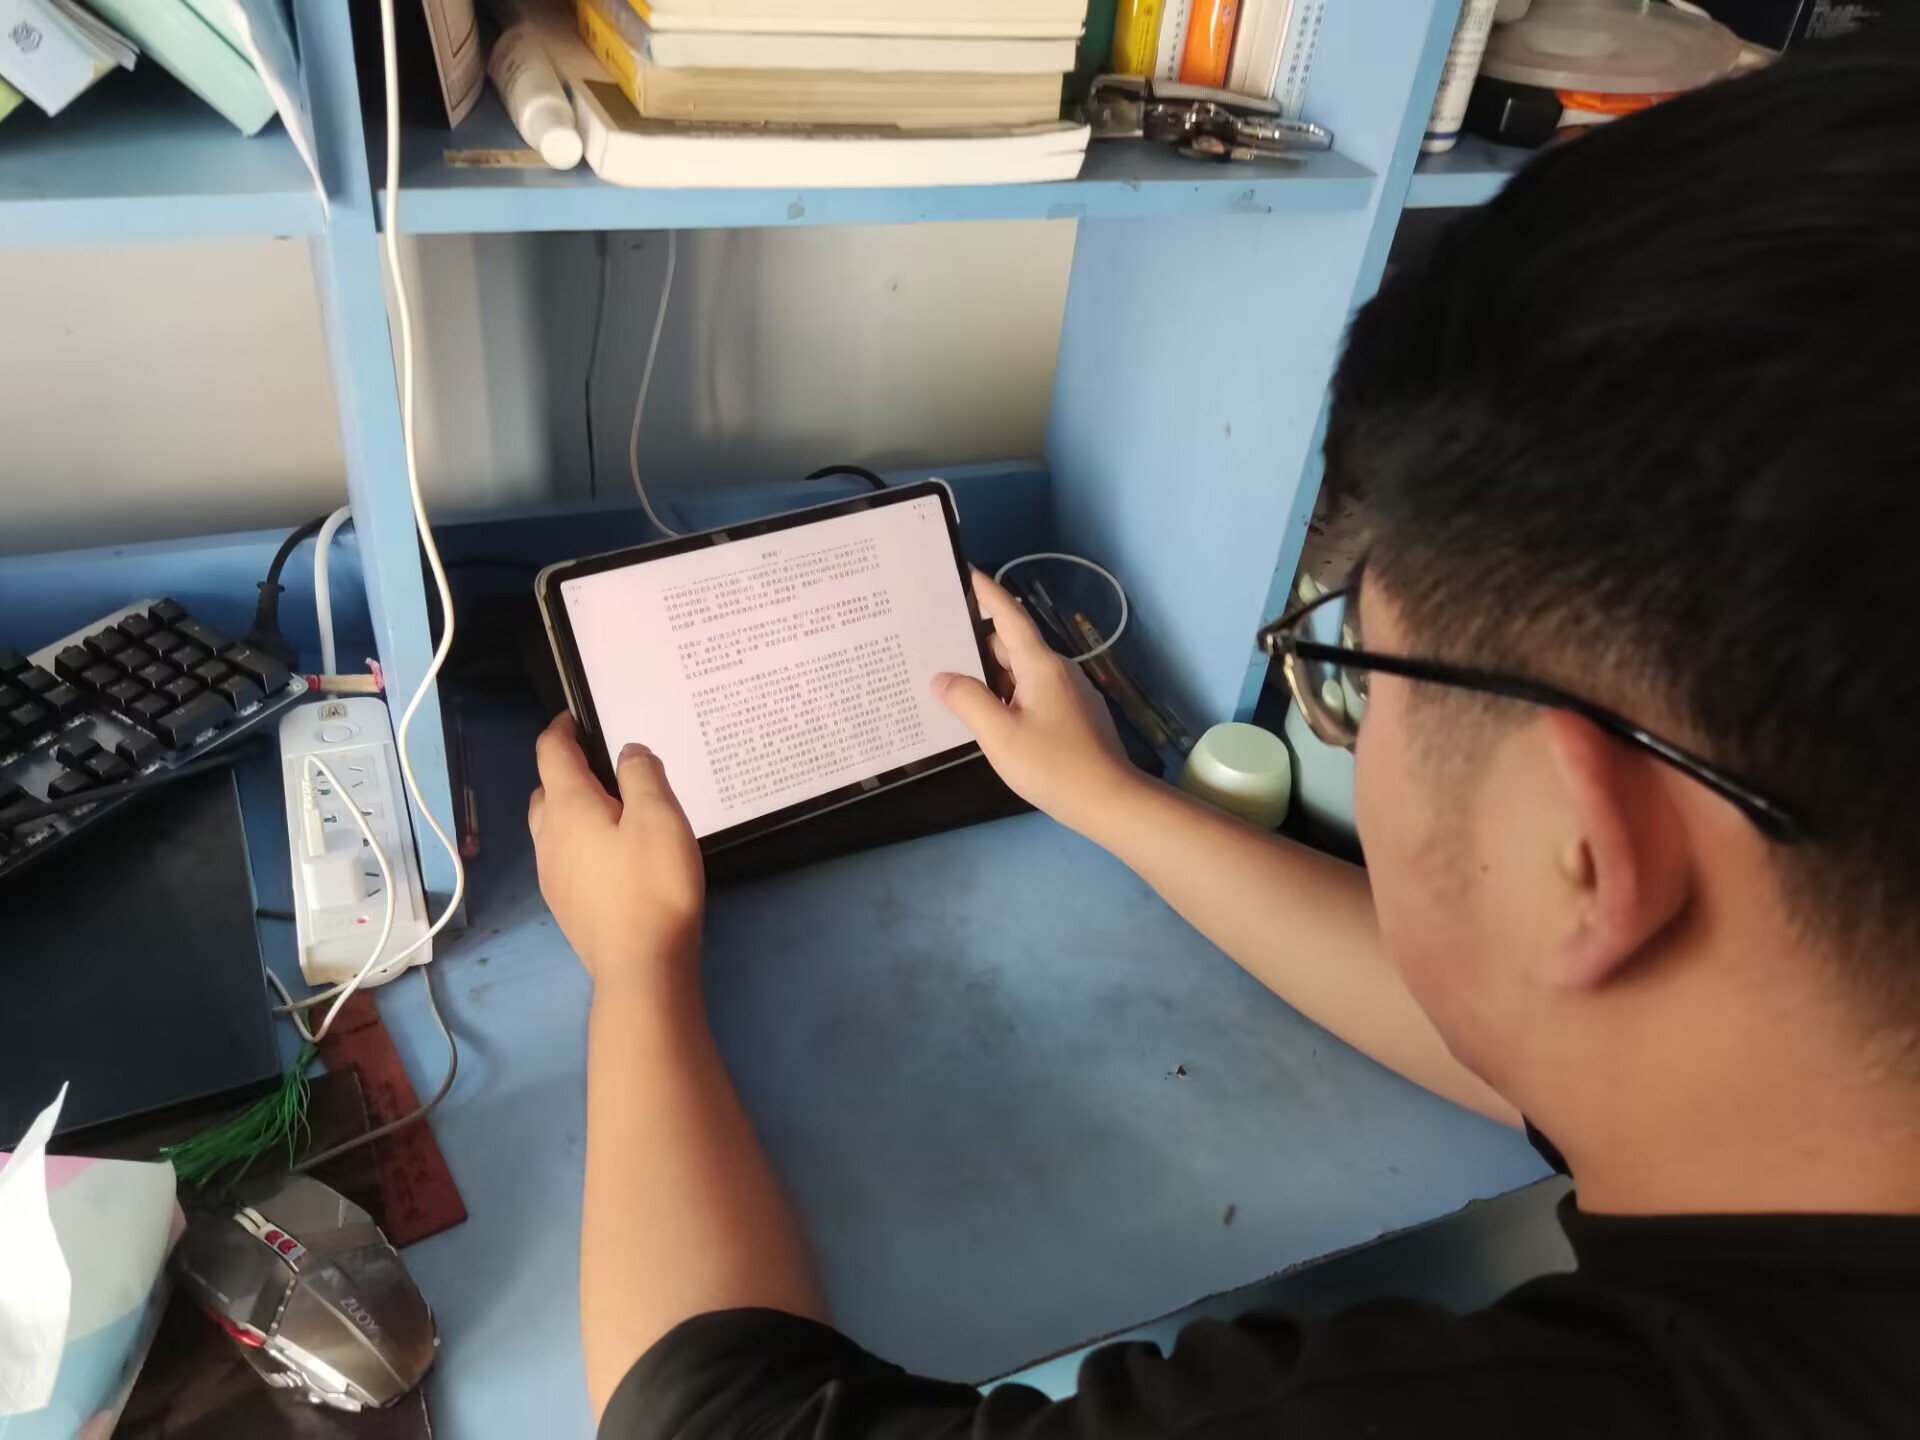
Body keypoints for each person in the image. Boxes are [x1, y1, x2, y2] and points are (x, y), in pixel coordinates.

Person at [525, 37, 1920, 1440]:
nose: (1347, 727)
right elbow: (1520, 1037)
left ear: (1583, 854)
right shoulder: (1774, 1079)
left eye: (1351, 677)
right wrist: (1112, 798)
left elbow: (708, 1422)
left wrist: (637, 967)